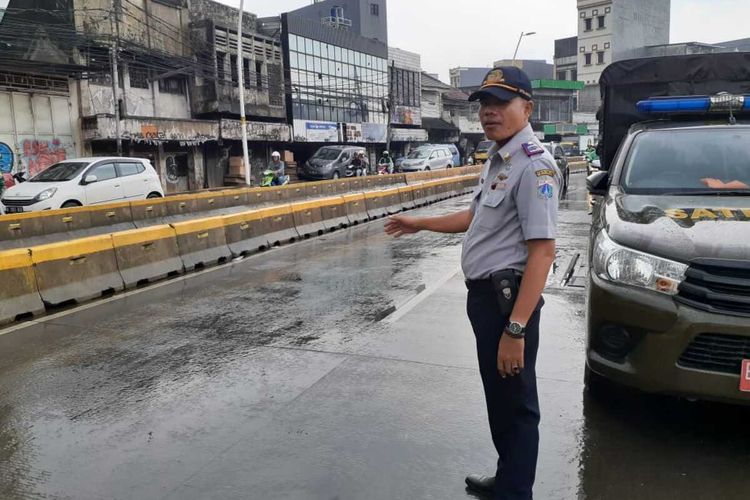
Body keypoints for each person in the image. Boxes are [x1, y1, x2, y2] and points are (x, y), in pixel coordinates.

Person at [385, 67, 561, 500]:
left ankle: (516, 492)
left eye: (500, 103)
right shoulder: (500, 160)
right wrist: (420, 222)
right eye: (484, 104)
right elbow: (473, 218)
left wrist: (516, 329)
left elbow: (542, 252)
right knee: (500, 400)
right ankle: (508, 479)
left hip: (509, 304)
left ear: (527, 108)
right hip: (487, 300)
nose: (489, 112)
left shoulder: (535, 167)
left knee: (517, 405)